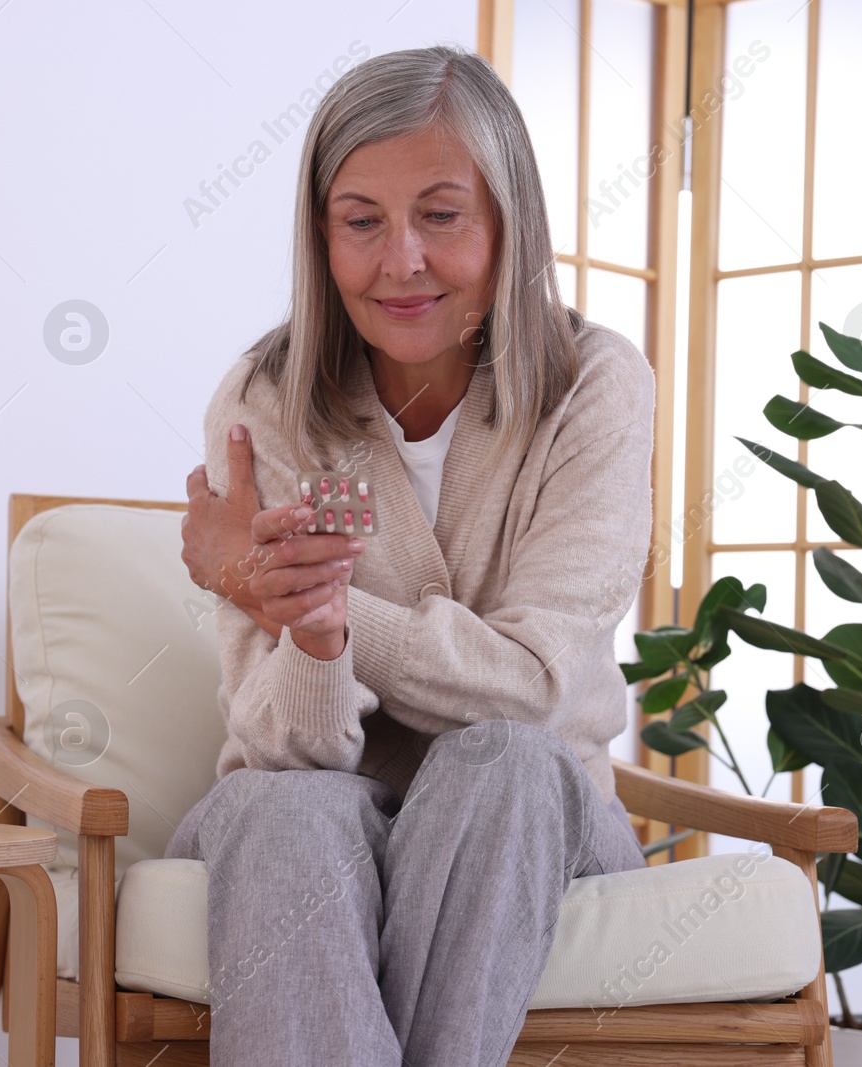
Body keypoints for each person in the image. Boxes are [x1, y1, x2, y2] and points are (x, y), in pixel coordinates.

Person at [175, 44, 653, 1067]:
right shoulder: (266, 400)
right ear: (320, 235)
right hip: (312, 799)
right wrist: (306, 638)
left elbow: (533, 690)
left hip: (537, 819)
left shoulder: (593, 386)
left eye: (440, 215)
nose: (400, 261)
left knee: (509, 760)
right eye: (361, 222)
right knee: (278, 809)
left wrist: (328, 610)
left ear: (506, 221)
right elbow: (278, 747)